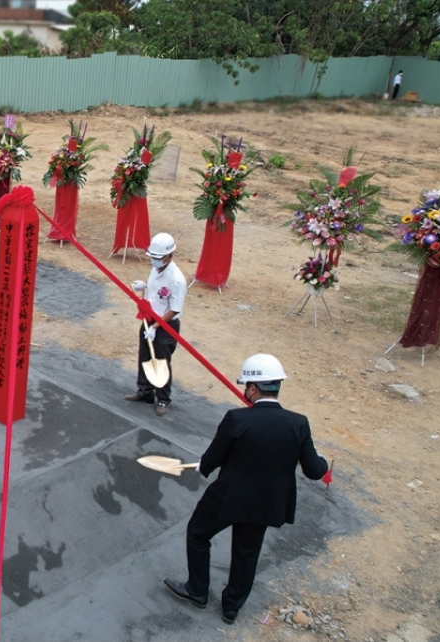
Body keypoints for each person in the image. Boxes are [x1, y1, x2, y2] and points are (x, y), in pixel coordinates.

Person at [163, 353, 329, 625]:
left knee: (198, 533)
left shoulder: (236, 419)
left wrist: (202, 466)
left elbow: (214, 457)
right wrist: (323, 465)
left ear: (253, 388)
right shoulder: (299, 423)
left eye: (246, 388)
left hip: (229, 498)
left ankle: (197, 590)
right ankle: (231, 607)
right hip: (266, 503)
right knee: (247, 551)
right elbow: (314, 470)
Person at [124, 232, 185, 416]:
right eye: (153, 257)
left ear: (170, 256)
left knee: (161, 362)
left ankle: (163, 399)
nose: (155, 261)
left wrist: (156, 327)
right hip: (148, 319)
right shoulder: (155, 269)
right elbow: (156, 293)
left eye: (159, 258)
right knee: (145, 357)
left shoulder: (176, 279)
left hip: (165, 326)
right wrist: (144, 286)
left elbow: (174, 309)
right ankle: (145, 392)